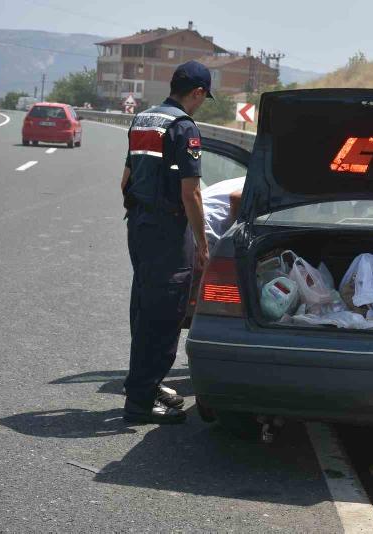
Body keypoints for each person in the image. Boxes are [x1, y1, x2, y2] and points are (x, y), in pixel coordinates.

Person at [120, 61, 212, 424]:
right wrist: (202, 243)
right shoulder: (183, 127)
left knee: (145, 307)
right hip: (167, 231)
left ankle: (145, 384)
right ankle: (140, 402)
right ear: (198, 93)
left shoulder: (144, 119)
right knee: (165, 313)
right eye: (203, 97)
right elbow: (192, 193)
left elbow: (125, 181)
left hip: (140, 225)